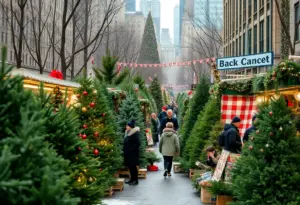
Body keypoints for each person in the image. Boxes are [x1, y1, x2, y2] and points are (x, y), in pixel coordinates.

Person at [123, 120, 140, 185]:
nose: (126, 127)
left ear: (131, 127)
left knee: (133, 167)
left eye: (127, 126)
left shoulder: (135, 134)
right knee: (130, 167)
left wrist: (130, 149)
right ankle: (132, 179)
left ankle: (135, 180)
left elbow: (137, 143)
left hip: (133, 154)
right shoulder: (128, 133)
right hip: (128, 154)